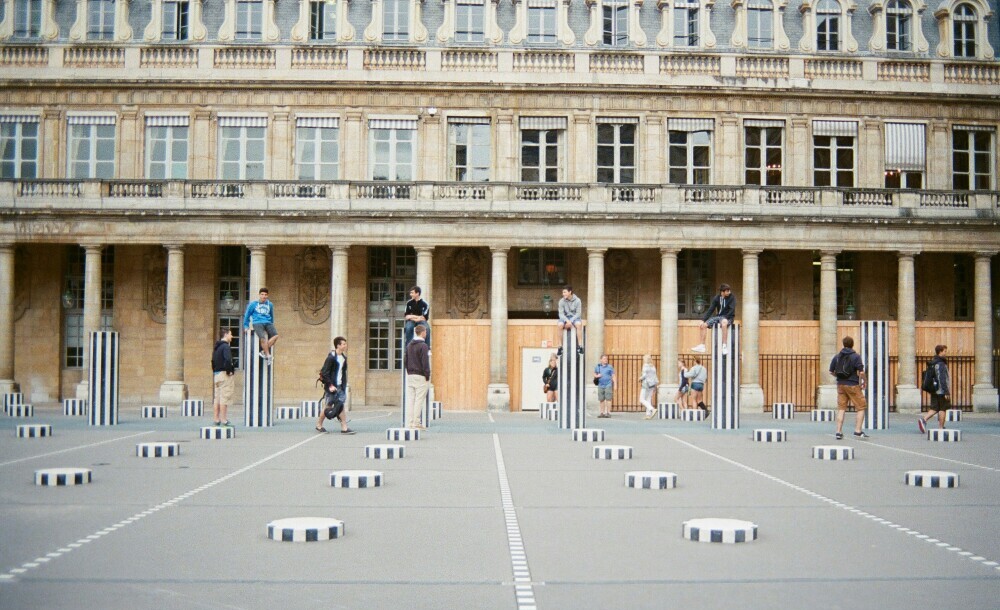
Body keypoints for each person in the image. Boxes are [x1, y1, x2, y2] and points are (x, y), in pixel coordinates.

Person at [830, 336, 869, 440]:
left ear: (843, 344)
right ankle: (858, 431)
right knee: (861, 407)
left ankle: (838, 431)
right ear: (852, 344)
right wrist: (864, 381)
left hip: (841, 385)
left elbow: (831, 371)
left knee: (841, 408)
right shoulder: (856, 356)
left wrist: (838, 377)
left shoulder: (837, 356)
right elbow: (861, 372)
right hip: (853, 385)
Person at [315, 336, 354, 434]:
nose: (345, 345)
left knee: (340, 405)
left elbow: (343, 373)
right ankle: (319, 425)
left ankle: (344, 427)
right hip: (332, 386)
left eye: (345, 344)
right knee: (328, 405)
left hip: (340, 386)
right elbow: (324, 373)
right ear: (338, 345)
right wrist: (330, 385)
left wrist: (343, 385)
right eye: (344, 344)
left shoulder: (344, 358)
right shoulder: (331, 358)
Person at [692, 284, 737, 354]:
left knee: (724, 322)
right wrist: (703, 320)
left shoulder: (731, 297)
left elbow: (732, 310)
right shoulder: (717, 298)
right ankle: (702, 346)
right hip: (719, 316)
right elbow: (711, 309)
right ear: (722, 292)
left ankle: (724, 346)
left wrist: (725, 318)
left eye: (729, 290)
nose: (729, 292)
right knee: (703, 325)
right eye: (727, 291)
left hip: (729, 317)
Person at [918, 344, 951, 433]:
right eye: (944, 351)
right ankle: (941, 427)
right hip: (941, 391)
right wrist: (946, 391)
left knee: (935, 408)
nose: (945, 353)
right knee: (943, 408)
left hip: (934, 389)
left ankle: (924, 420)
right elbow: (942, 378)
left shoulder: (933, 362)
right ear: (940, 352)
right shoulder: (940, 364)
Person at [404, 323, 431, 430]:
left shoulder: (409, 345)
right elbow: (425, 362)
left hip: (410, 374)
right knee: (419, 400)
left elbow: (405, 360)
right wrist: (427, 375)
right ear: (423, 332)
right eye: (425, 332)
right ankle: (416, 422)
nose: (426, 333)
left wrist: (408, 370)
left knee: (411, 399)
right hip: (420, 375)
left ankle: (410, 423)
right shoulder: (423, 346)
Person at [243, 287, 279, 365]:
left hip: (268, 322)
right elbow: (247, 315)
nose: (264, 296)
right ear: (259, 295)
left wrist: (271, 325)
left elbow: (271, 315)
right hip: (257, 322)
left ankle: (263, 351)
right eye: (262, 294)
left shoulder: (270, 304)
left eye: (265, 295)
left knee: (276, 335)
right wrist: (246, 326)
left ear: (267, 296)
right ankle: (268, 355)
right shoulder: (253, 304)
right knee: (263, 338)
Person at [211, 328, 235, 427]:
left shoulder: (216, 347)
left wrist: (215, 371)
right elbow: (228, 360)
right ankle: (224, 420)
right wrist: (229, 371)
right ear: (225, 335)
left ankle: (216, 419)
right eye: (230, 334)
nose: (232, 336)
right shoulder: (225, 347)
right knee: (224, 397)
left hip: (216, 374)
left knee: (217, 398)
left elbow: (212, 361)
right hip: (224, 374)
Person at [555, 285, 585, 356]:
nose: (563, 294)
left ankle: (580, 346)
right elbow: (561, 314)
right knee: (560, 325)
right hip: (565, 317)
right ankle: (560, 347)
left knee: (578, 324)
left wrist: (570, 321)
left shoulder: (578, 300)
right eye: (563, 292)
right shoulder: (561, 301)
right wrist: (567, 321)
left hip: (574, 317)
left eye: (565, 292)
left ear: (570, 292)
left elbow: (578, 313)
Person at [639, 354, 659, 419]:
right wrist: (656, 385)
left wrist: (640, 378)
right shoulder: (653, 367)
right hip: (652, 384)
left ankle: (652, 409)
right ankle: (648, 414)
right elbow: (655, 376)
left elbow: (644, 375)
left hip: (646, 384)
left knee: (641, 399)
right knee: (648, 398)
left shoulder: (645, 365)